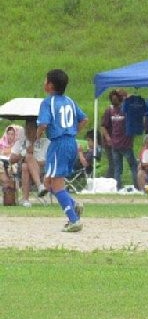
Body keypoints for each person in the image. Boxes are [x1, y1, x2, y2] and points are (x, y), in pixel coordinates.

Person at [35, 69, 87, 232]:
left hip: (58, 144)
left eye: (45, 80)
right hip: (71, 142)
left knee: (56, 185)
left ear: (50, 85)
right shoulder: (69, 101)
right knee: (48, 183)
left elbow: (43, 124)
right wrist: (72, 132)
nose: (44, 83)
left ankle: (73, 220)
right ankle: (73, 204)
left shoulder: (47, 102)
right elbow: (84, 119)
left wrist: (37, 137)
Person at [6, 120, 49, 207]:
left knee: (26, 164)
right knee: (26, 163)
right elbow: (11, 159)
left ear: (38, 131)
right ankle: (39, 186)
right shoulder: (21, 142)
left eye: (32, 129)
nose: (29, 132)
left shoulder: (46, 142)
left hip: (42, 172)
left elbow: (49, 161)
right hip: (22, 174)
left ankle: (25, 199)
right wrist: (23, 154)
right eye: (27, 129)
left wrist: (33, 163)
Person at [101, 89, 137, 189]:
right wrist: (126, 94)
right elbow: (133, 100)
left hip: (116, 143)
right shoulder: (125, 109)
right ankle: (137, 186)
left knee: (118, 168)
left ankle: (118, 187)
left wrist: (109, 138)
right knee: (133, 166)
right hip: (124, 143)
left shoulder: (113, 110)